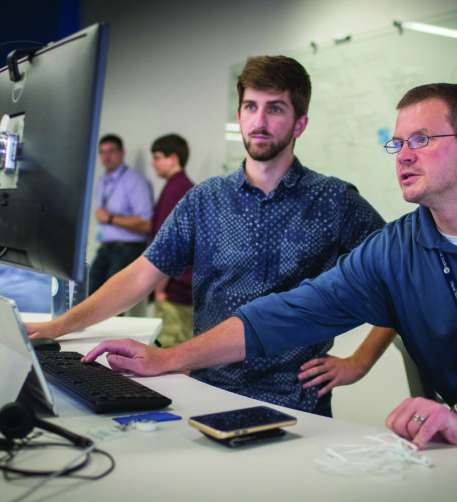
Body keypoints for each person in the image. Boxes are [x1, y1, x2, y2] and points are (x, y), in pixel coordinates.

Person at [82, 83, 457, 501]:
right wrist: (166, 359)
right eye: (397, 141)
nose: (403, 153)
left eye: (421, 139)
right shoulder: (395, 247)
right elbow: (285, 314)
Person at [27, 55, 394, 416]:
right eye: (251, 106)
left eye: (276, 109)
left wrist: (359, 362)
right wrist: (57, 327)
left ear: (300, 124)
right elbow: (140, 275)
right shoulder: (205, 199)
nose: (260, 120)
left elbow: (398, 279)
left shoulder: (334, 199)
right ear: (239, 116)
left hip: (296, 401)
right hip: (207, 390)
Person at [88, 134, 153, 295]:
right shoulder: (101, 181)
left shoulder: (135, 181)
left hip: (127, 249)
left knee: (112, 304)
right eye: (102, 152)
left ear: (122, 152)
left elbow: (146, 224)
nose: (106, 156)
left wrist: (110, 219)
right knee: (88, 297)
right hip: (105, 248)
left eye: (111, 151)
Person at [147, 133, 195, 348]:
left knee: (168, 351)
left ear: (173, 158)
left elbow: (169, 244)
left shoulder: (175, 189)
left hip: (175, 289)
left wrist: (159, 289)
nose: (153, 163)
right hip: (181, 286)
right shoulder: (184, 186)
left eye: (157, 157)